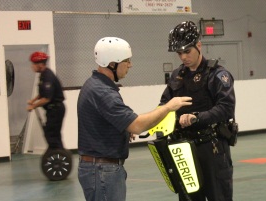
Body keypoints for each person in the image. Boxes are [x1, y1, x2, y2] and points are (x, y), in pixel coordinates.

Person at [77, 37, 192, 201]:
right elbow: (137, 125)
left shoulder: (95, 85)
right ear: (112, 63)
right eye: (126, 60)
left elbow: (104, 121)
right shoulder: (103, 92)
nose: (130, 65)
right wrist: (168, 107)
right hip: (103, 171)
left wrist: (122, 131)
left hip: (99, 168)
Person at [160, 21, 236, 201]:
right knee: (188, 197)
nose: (183, 57)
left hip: (212, 148)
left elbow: (226, 108)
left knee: (219, 196)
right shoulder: (177, 76)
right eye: (179, 53)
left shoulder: (217, 74)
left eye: (187, 51)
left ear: (199, 46)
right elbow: (164, 104)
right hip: (184, 149)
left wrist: (196, 118)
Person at [27, 51, 66, 150]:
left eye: (34, 64)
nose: (32, 66)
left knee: (51, 134)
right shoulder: (43, 75)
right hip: (53, 110)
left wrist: (33, 106)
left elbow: (47, 98)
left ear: (40, 64)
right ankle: (57, 154)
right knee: (52, 134)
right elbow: (43, 93)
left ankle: (58, 156)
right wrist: (33, 100)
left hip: (56, 109)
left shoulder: (48, 76)